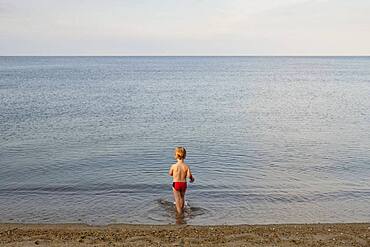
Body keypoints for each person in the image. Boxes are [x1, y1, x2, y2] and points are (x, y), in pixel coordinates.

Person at [168, 147, 195, 214]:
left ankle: (179, 213)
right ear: (185, 156)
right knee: (182, 198)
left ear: (176, 155)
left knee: (177, 199)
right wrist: (192, 179)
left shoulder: (174, 166)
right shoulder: (186, 166)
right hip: (183, 184)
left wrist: (175, 174)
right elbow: (189, 176)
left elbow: (170, 173)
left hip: (176, 184)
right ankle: (182, 211)